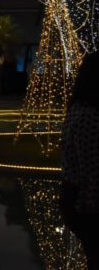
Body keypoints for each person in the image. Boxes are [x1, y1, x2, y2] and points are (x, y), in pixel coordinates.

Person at [61, 51, 99, 269]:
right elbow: (92, 171)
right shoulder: (89, 116)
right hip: (87, 205)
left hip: (77, 201)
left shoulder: (78, 110)